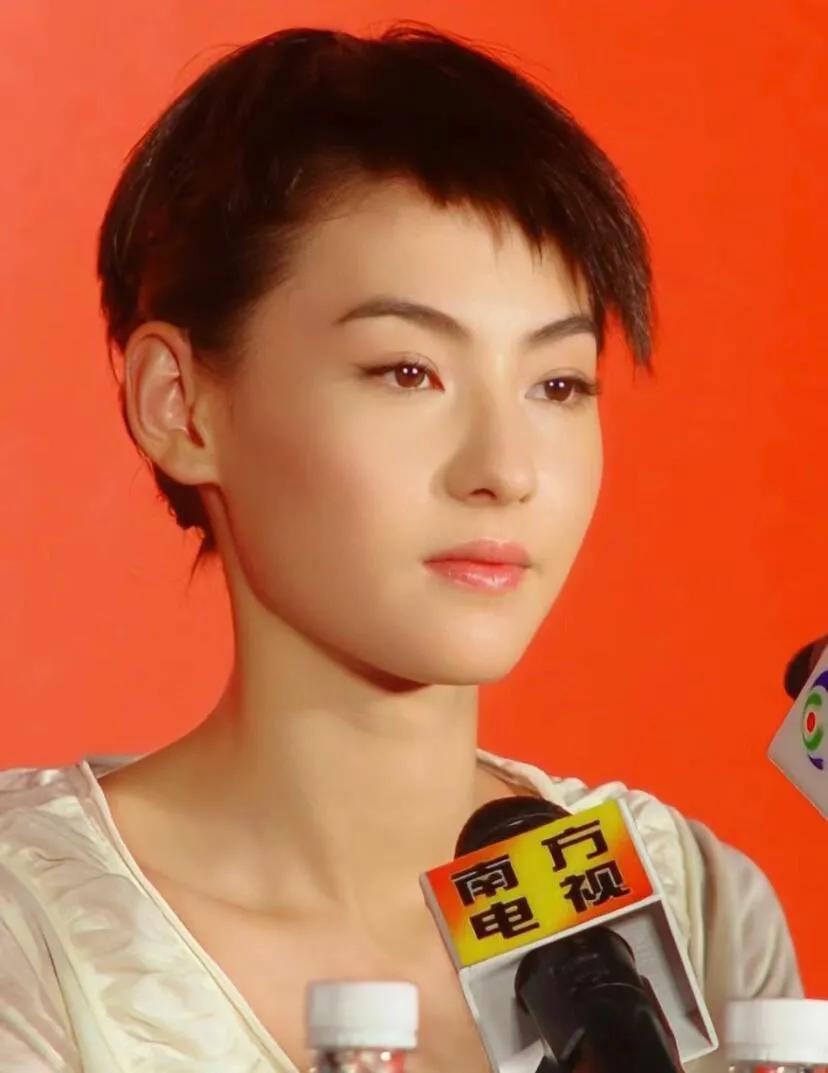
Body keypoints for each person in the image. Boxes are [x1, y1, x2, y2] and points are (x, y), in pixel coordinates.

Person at [0, 23, 802, 1073]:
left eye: (558, 384)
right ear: (180, 404)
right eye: (408, 372)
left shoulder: (691, 903)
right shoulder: (34, 925)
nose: (505, 467)